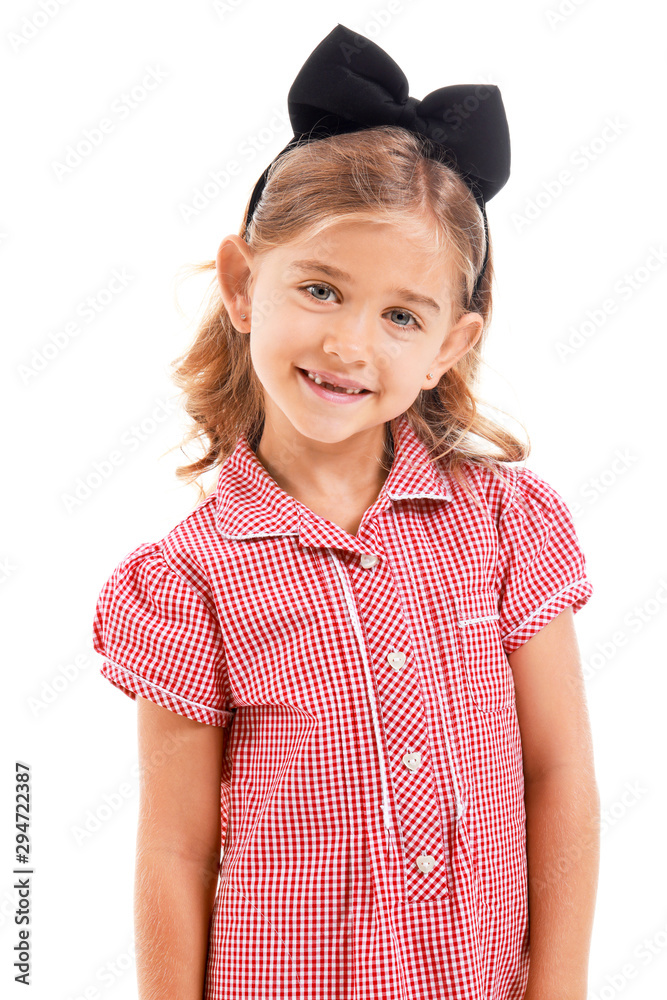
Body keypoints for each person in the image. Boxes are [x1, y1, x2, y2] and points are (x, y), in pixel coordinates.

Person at [92, 23, 600, 1000]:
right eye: (319, 289)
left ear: (452, 342)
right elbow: (174, 852)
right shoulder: (190, 578)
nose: (348, 343)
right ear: (244, 284)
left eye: (400, 314)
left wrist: (562, 988)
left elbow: (559, 777)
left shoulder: (506, 525)